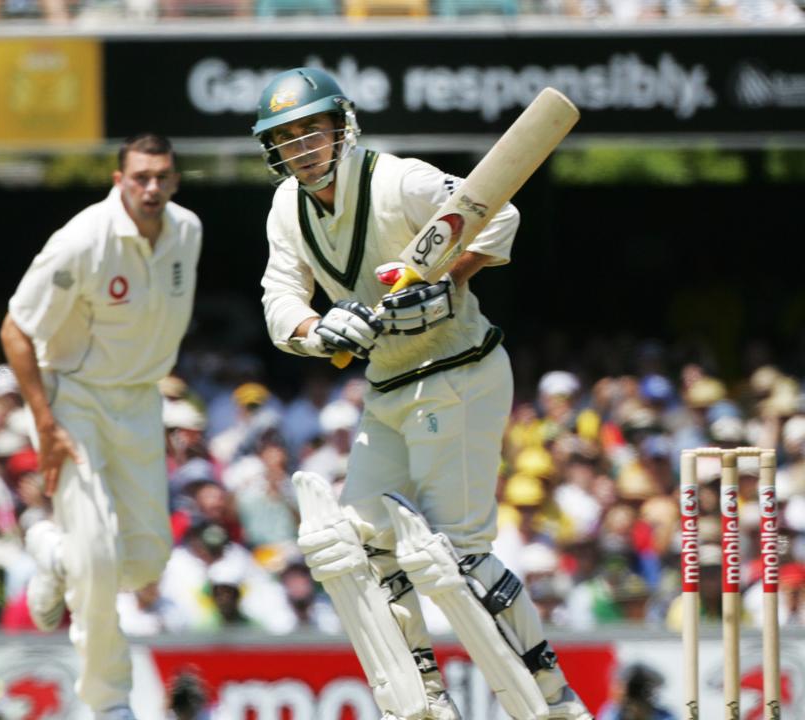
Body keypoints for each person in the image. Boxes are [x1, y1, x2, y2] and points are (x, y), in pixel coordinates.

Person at [251, 67, 591, 720]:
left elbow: (497, 216)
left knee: (455, 557)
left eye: (311, 131)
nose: (302, 148)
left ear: (339, 127)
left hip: (459, 368)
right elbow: (279, 297)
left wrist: (448, 281)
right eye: (286, 138)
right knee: (360, 539)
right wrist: (320, 328)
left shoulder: (398, 179)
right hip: (386, 383)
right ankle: (425, 692)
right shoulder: (286, 210)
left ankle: (555, 697)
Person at [0, 132, 201, 720]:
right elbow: (16, 330)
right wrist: (44, 418)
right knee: (99, 557)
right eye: (140, 176)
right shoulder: (83, 240)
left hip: (140, 402)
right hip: (75, 398)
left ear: (175, 179)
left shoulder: (187, 231)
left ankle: (51, 551)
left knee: (144, 562)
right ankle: (108, 701)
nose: (152, 187)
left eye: (162, 176)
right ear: (119, 180)